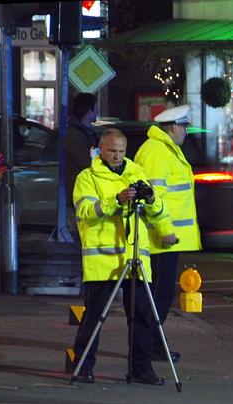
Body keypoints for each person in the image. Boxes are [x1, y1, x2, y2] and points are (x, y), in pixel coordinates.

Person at [71, 129, 174, 385]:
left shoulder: (136, 173)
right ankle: (82, 365)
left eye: (121, 151)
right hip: (103, 259)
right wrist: (115, 200)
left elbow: (158, 210)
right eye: (111, 150)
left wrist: (151, 200)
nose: (116, 156)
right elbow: (85, 210)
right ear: (100, 149)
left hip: (135, 256)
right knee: (94, 315)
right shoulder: (87, 177)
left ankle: (140, 369)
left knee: (141, 315)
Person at [134, 104, 201, 363]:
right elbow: (153, 197)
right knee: (158, 296)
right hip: (160, 239)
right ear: (173, 127)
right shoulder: (157, 153)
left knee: (161, 295)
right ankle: (150, 344)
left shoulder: (164, 150)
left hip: (166, 237)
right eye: (184, 126)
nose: (186, 131)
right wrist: (163, 230)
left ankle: (154, 342)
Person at [63, 92, 99, 240]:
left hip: (86, 193)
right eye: (95, 107)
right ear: (89, 110)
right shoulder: (75, 136)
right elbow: (87, 164)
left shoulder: (85, 133)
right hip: (79, 194)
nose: (97, 111)